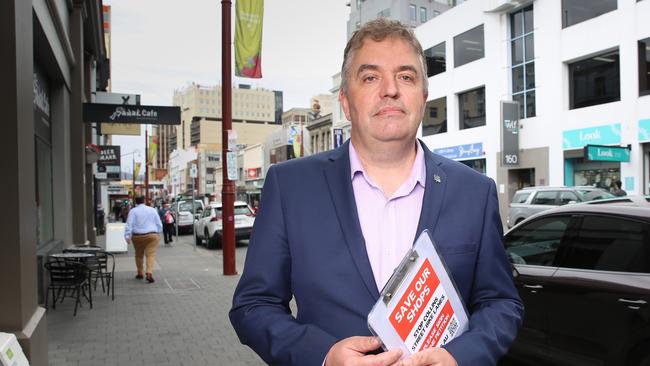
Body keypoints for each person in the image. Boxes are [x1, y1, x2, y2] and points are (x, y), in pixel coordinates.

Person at [230, 19, 523, 366]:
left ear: (423, 96)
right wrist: (322, 356)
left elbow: (501, 303)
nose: (390, 90)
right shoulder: (290, 186)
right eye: (370, 77)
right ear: (345, 100)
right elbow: (253, 305)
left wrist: (458, 357)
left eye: (406, 76)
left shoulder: (475, 191)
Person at [124, 196, 162, 283]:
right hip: (151, 235)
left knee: (139, 255)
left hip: (137, 236)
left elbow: (129, 224)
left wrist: (127, 235)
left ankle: (140, 273)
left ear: (136, 202)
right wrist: (159, 232)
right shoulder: (152, 210)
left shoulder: (133, 211)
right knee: (151, 255)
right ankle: (149, 272)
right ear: (144, 201)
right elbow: (158, 222)